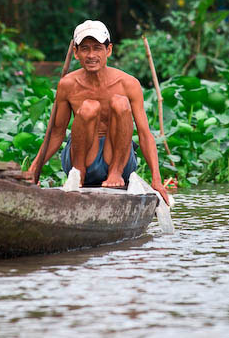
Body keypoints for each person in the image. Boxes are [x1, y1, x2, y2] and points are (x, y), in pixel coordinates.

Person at [28, 20, 169, 204]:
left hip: (118, 158)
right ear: (76, 53)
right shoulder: (68, 85)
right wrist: (33, 171)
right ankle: (79, 174)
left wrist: (157, 180)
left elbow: (144, 133)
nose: (91, 55)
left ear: (108, 50)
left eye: (97, 48)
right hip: (83, 156)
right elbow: (56, 132)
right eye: (85, 49)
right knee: (88, 108)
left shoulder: (128, 83)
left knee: (120, 103)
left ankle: (115, 173)